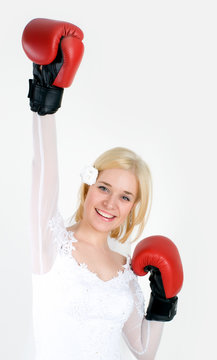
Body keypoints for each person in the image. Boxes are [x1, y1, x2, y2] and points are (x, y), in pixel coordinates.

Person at [22, 18, 183, 360]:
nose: (110, 203)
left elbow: (143, 351)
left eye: (125, 196)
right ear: (88, 187)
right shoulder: (50, 242)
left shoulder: (126, 269)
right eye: (104, 187)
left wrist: (161, 304)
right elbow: (44, 171)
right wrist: (46, 104)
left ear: (133, 207)